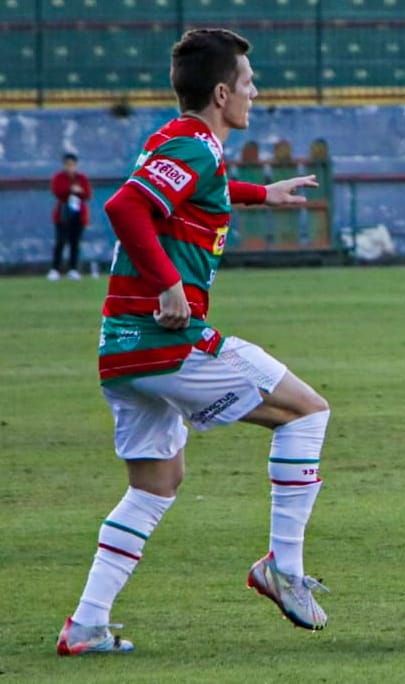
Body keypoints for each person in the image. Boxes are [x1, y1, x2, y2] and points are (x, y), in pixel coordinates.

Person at [57, 28, 330, 656]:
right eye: (248, 82)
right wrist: (169, 282)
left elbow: (192, 191)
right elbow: (126, 208)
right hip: (167, 341)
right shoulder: (195, 146)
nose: (256, 92)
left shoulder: (176, 140)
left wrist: (263, 194)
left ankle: (86, 625)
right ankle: (283, 568)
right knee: (306, 412)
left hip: (122, 348)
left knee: (155, 484)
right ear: (221, 93)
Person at [49, 153, 93, 281]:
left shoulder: (81, 178)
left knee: (75, 243)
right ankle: (55, 269)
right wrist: (70, 190)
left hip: (78, 215)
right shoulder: (59, 178)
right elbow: (57, 191)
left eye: (72, 165)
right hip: (63, 214)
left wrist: (80, 191)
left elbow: (87, 194)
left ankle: (73, 269)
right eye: (67, 165)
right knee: (60, 242)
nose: (70, 167)